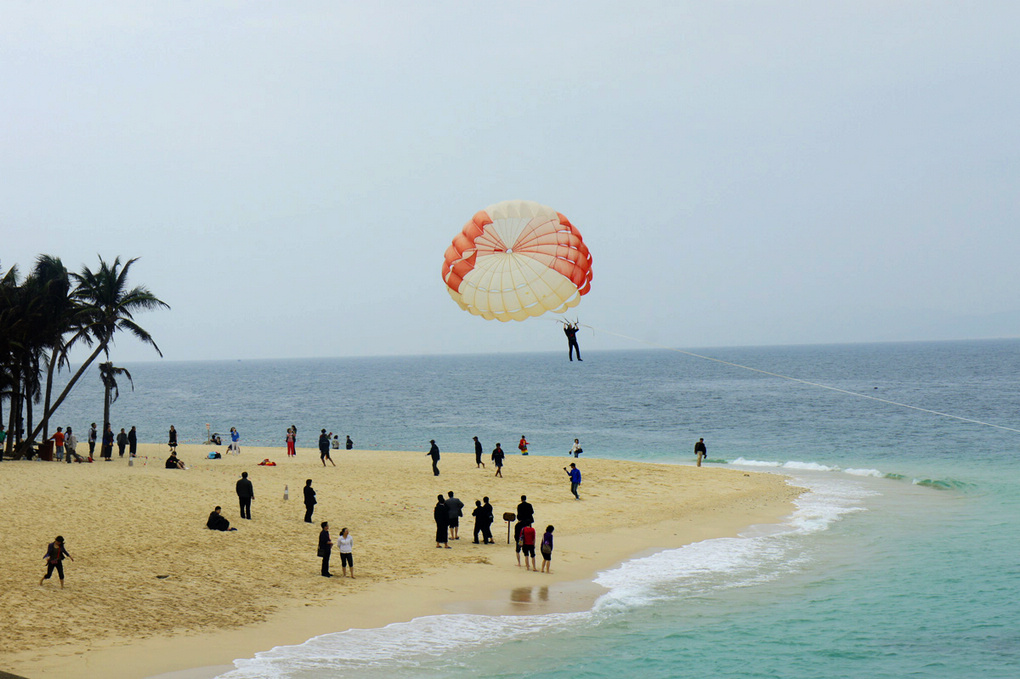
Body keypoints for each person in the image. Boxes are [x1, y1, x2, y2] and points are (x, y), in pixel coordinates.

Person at [515, 495, 534, 565]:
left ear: (521, 499)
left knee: (521, 534)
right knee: (529, 532)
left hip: (522, 522)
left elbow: (518, 514)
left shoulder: (519, 506)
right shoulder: (529, 505)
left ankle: (519, 563)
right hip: (528, 521)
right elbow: (532, 512)